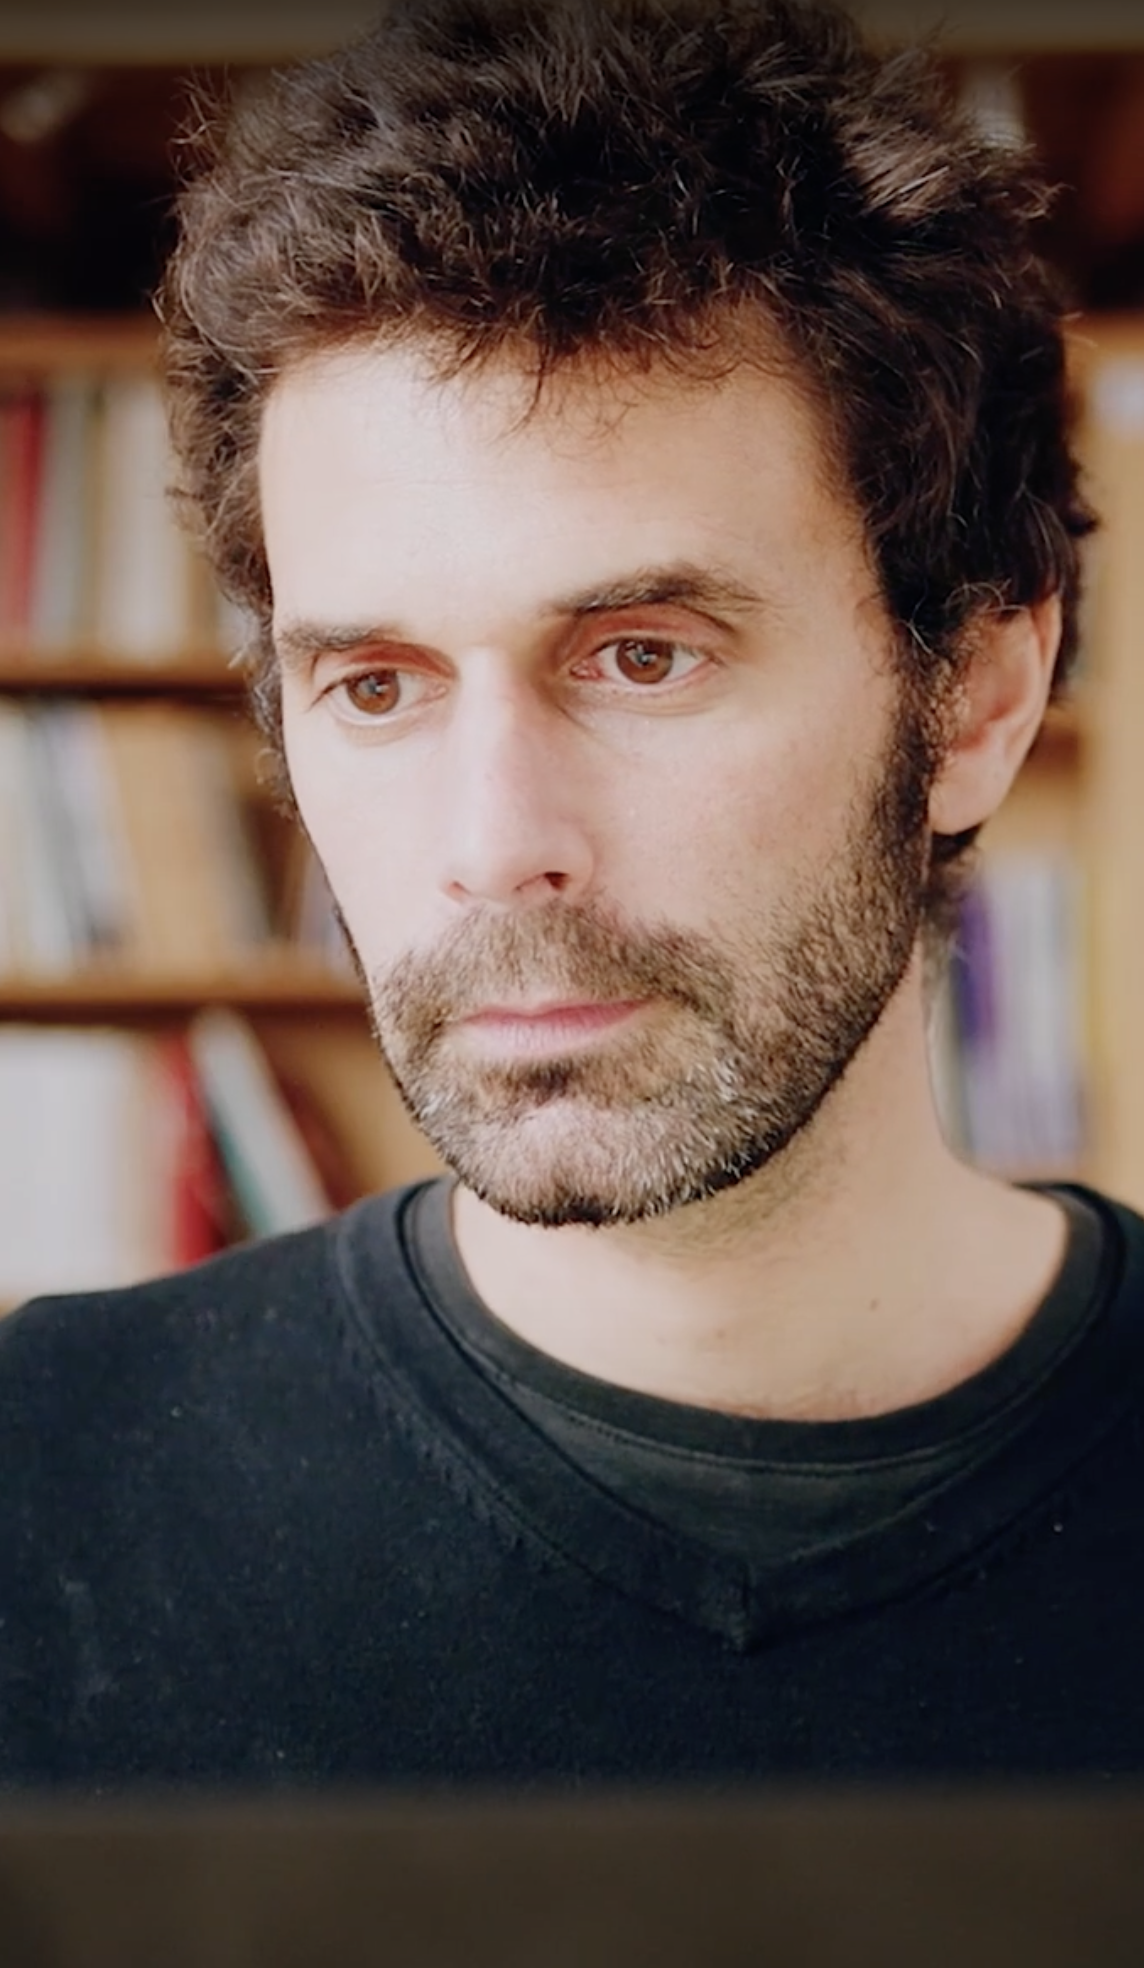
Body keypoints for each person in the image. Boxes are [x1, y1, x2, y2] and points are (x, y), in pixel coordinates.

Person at [1, 0, 1137, 1792]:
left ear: (978, 697)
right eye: (375, 684)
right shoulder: (36, 1494)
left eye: (641, 655)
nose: (492, 841)